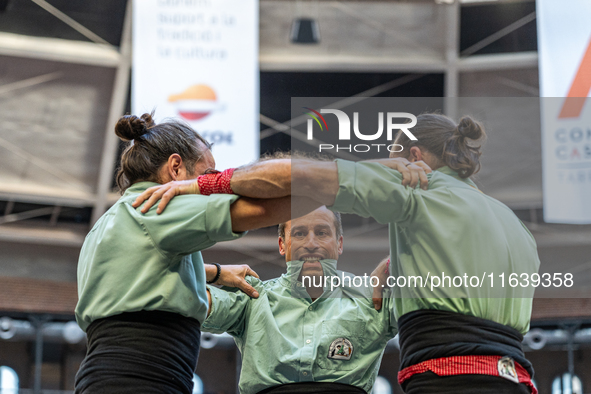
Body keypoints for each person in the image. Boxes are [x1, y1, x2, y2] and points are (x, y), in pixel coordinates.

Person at [136, 113, 539, 394]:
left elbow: (295, 175)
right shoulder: (517, 228)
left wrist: (204, 186)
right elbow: (458, 267)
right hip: (516, 378)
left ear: (414, 158)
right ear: (283, 242)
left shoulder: (418, 189)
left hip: (449, 381)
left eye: (396, 159)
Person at [74, 113, 313, 394]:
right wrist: (321, 188)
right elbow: (269, 206)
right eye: (208, 175)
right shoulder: (160, 206)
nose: (210, 186)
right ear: (175, 169)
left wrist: (216, 272)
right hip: (141, 381)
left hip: (106, 377)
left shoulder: (111, 220)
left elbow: (138, 269)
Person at [202, 206, 396, 394]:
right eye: (299, 234)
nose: (311, 244)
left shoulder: (371, 297)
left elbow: (425, 288)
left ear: (339, 244)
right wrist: (213, 271)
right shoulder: (252, 298)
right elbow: (183, 298)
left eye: (322, 233)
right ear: (282, 245)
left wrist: (392, 263)